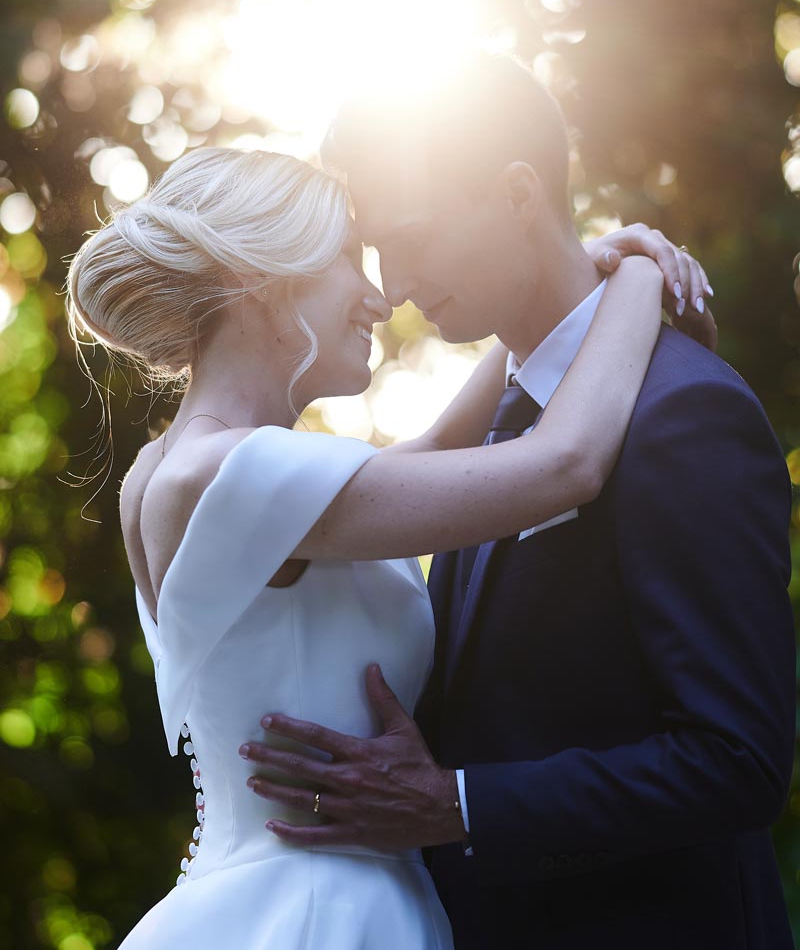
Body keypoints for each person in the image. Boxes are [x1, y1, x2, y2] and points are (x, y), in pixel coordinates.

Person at [66, 144, 695, 950]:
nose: (378, 296)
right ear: (260, 281)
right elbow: (565, 464)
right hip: (321, 913)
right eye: (346, 260)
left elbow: (434, 447)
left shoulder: (166, 470)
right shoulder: (233, 472)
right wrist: (641, 276)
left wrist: (573, 274)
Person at [240, 55, 796, 950]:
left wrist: (456, 804)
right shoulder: (494, 424)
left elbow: (738, 761)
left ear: (516, 194)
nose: (394, 282)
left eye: (410, 236)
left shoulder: (685, 411)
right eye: (375, 248)